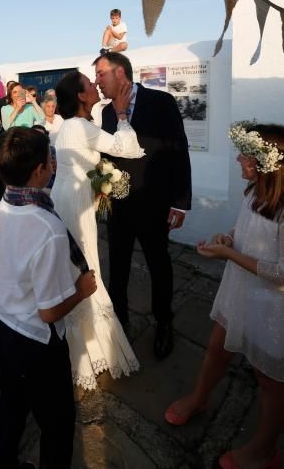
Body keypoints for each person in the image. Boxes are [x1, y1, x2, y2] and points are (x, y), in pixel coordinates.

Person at [165, 122, 284, 469]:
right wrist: (228, 239)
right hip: (240, 289)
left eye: (244, 155)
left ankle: (265, 449)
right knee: (218, 348)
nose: (237, 160)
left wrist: (229, 256)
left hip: (271, 307)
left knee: (270, 380)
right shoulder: (254, 192)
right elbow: (246, 229)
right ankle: (200, 398)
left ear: (266, 162)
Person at [0, 127, 97, 469]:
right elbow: (49, 312)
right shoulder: (47, 227)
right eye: (50, 159)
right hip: (35, 344)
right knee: (58, 425)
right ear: (39, 170)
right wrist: (82, 291)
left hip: (1, 329)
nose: (52, 163)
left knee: (12, 407)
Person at [51, 70, 144, 389]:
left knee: (73, 266)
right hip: (76, 204)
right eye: (89, 85)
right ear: (80, 96)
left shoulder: (68, 126)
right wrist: (121, 112)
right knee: (87, 266)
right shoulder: (79, 126)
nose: (94, 85)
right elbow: (126, 148)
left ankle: (78, 339)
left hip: (67, 197)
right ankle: (93, 345)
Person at [95, 51, 191, 359]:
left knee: (158, 266)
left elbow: (179, 150)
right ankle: (119, 322)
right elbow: (108, 156)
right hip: (120, 206)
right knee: (118, 268)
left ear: (120, 73)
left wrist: (181, 203)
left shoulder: (161, 102)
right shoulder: (108, 112)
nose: (97, 81)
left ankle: (164, 323)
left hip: (154, 205)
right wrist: (102, 189)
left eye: (101, 74)